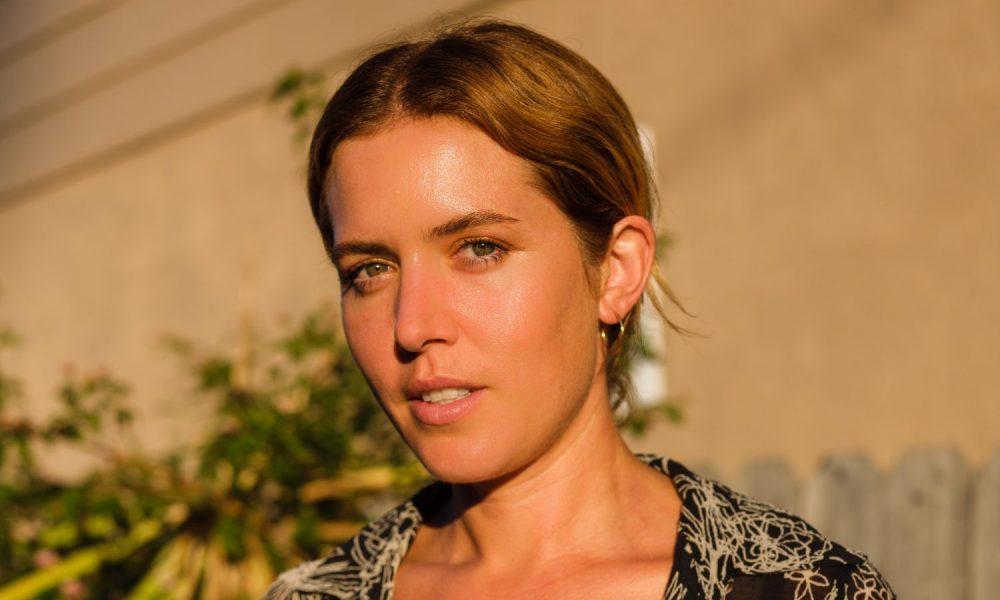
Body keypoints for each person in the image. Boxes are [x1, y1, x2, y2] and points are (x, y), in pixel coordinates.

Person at [264, 19, 894, 600]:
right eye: (369, 270)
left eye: (479, 249)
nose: (412, 327)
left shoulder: (798, 589)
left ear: (615, 270)